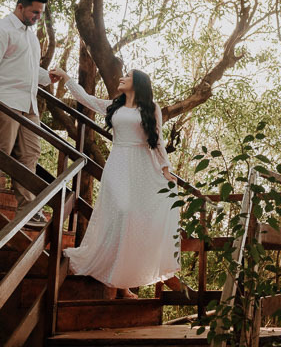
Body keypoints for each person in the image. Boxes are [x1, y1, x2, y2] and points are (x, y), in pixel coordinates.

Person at [48, 67, 188, 299]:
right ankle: (111, 281)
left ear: (139, 83)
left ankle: (122, 283)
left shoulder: (150, 109)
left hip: (142, 165)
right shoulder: (115, 106)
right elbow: (86, 99)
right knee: (121, 212)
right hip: (118, 164)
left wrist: (166, 169)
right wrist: (65, 77)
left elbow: (158, 141)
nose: (122, 78)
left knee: (132, 219)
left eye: (128, 76)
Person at [0, 0, 53, 227]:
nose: (37, 17)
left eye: (41, 13)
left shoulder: (30, 35)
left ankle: (27, 210)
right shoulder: (0, 31)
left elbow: (25, 69)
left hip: (29, 103)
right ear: (20, 6)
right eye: (34, 11)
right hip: (5, 101)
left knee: (30, 153)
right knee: (0, 152)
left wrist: (46, 76)